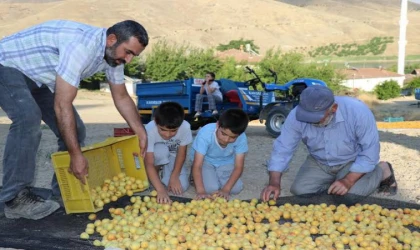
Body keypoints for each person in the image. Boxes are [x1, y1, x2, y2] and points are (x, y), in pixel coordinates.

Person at [0, 19, 149, 220]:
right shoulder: (80, 47)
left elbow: (121, 97)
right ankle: (14, 199)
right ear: (112, 39)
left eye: (134, 55)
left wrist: (140, 131)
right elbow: (62, 105)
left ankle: (63, 192)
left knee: (76, 130)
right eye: (128, 52)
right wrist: (76, 154)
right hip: (7, 64)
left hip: (39, 77)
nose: (129, 60)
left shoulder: (113, 55)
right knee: (27, 118)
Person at [261, 85, 398, 205]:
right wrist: (274, 182)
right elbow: (283, 149)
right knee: (301, 192)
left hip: (351, 161)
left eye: (315, 118)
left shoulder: (358, 112)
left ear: (334, 108)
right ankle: (336, 181)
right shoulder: (295, 115)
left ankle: (382, 170)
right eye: (306, 117)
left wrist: (348, 181)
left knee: (348, 198)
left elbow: (369, 153)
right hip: (319, 161)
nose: (310, 121)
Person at [191, 108, 249, 200]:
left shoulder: (241, 138)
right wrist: (200, 191)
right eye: (223, 134)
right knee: (210, 189)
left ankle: (215, 176)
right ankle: (196, 176)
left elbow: (238, 167)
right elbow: (197, 165)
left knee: (235, 189)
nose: (226, 140)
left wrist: (226, 189)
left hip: (226, 162)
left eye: (232, 137)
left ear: (239, 134)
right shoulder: (206, 133)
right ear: (218, 125)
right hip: (205, 161)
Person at [144, 102, 193, 204]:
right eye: (163, 130)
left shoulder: (185, 127)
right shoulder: (149, 129)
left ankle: (164, 176)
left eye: (173, 131)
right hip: (157, 155)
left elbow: (181, 154)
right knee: (161, 151)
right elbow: (149, 162)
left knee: (180, 187)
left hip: (174, 157)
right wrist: (160, 190)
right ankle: (156, 175)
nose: (167, 135)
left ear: (180, 124)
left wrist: (174, 176)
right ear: (156, 122)